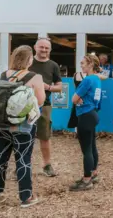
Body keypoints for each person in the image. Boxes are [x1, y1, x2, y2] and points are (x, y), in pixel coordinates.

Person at [0, 45, 45, 208]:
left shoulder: (4, 74)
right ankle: (26, 197)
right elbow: (40, 101)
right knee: (23, 160)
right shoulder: (35, 77)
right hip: (23, 126)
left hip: (1, 123)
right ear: (28, 60)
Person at [29, 37, 62, 177]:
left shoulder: (53, 65)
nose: (44, 50)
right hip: (26, 104)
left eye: (46, 48)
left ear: (50, 50)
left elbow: (59, 87)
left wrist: (47, 86)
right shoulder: (28, 62)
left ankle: (47, 165)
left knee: (44, 136)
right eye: (41, 47)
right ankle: (23, 165)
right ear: (35, 47)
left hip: (45, 105)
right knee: (24, 136)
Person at [69, 54, 102, 191]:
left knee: (86, 149)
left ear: (90, 64)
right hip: (93, 113)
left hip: (85, 115)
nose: (81, 65)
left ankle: (86, 180)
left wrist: (78, 98)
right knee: (92, 146)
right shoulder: (97, 79)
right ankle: (93, 173)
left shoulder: (87, 80)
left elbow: (73, 98)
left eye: (83, 63)